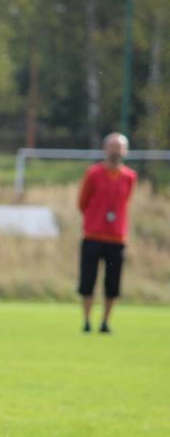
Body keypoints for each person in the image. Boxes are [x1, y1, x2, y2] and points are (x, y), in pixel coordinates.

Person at [77, 132, 137, 333]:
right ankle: (86, 320)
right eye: (112, 147)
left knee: (112, 282)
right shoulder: (93, 174)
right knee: (88, 279)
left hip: (116, 237)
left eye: (119, 148)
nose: (115, 152)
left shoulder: (129, 177)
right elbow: (82, 203)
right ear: (105, 149)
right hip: (93, 236)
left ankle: (105, 322)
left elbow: (126, 201)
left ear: (125, 151)